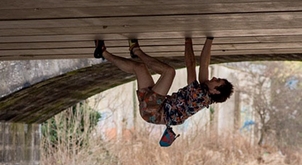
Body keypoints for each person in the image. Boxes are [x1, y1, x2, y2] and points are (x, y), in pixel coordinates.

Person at [94, 37, 233, 146]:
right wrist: (210, 38)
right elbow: (204, 64)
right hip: (154, 110)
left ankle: (136, 50)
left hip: (154, 110)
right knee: (139, 68)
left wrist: (188, 39)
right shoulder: (206, 92)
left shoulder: (199, 95)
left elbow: (191, 65)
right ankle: (103, 52)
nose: (214, 78)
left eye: (217, 80)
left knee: (169, 72)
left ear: (215, 91)